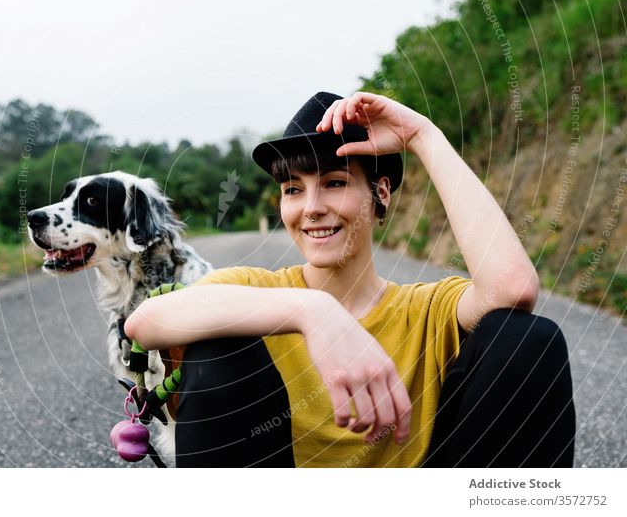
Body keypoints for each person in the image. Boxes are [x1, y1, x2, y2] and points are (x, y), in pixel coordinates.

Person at [125, 91, 576, 467]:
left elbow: (513, 289)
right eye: (293, 190)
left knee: (529, 340)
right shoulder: (261, 291)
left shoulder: (428, 311)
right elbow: (145, 322)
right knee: (218, 344)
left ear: (380, 194)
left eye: (335, 183)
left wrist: (422, 135)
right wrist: (314, 313)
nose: (311, 207)